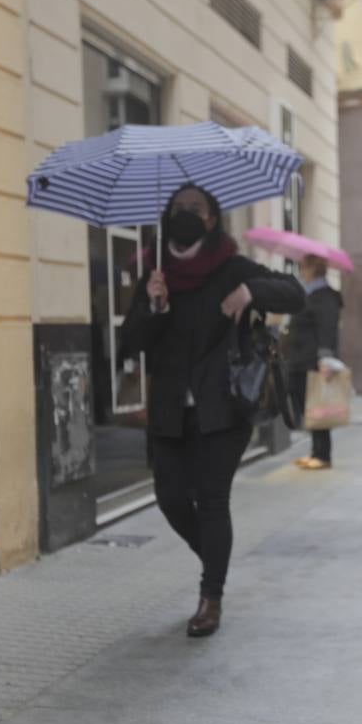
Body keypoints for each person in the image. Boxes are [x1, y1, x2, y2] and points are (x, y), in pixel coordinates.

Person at [120, 184, 304, 638]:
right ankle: (216, 560)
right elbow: (131, 343)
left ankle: (210, 598)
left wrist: (249, 291)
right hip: (168, 409)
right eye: (178, 208)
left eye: (196, 209)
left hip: (223, 405)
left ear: (211, 218)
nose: (186, 214)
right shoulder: (154, 271)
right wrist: (155, 306)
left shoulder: (231, 266)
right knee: (170, 497)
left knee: (211, 498)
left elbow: (294, 293)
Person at [287, 255, 343, 471]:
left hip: (313, 361)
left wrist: (325, 359)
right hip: (300, 359)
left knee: (319, 407)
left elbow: (327, 330)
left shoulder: (325, 296)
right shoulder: (308, 292)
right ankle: (315, 450)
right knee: (307, 406)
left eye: (303, 266)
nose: (300, 270)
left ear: (313, 269)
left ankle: (323, 455)